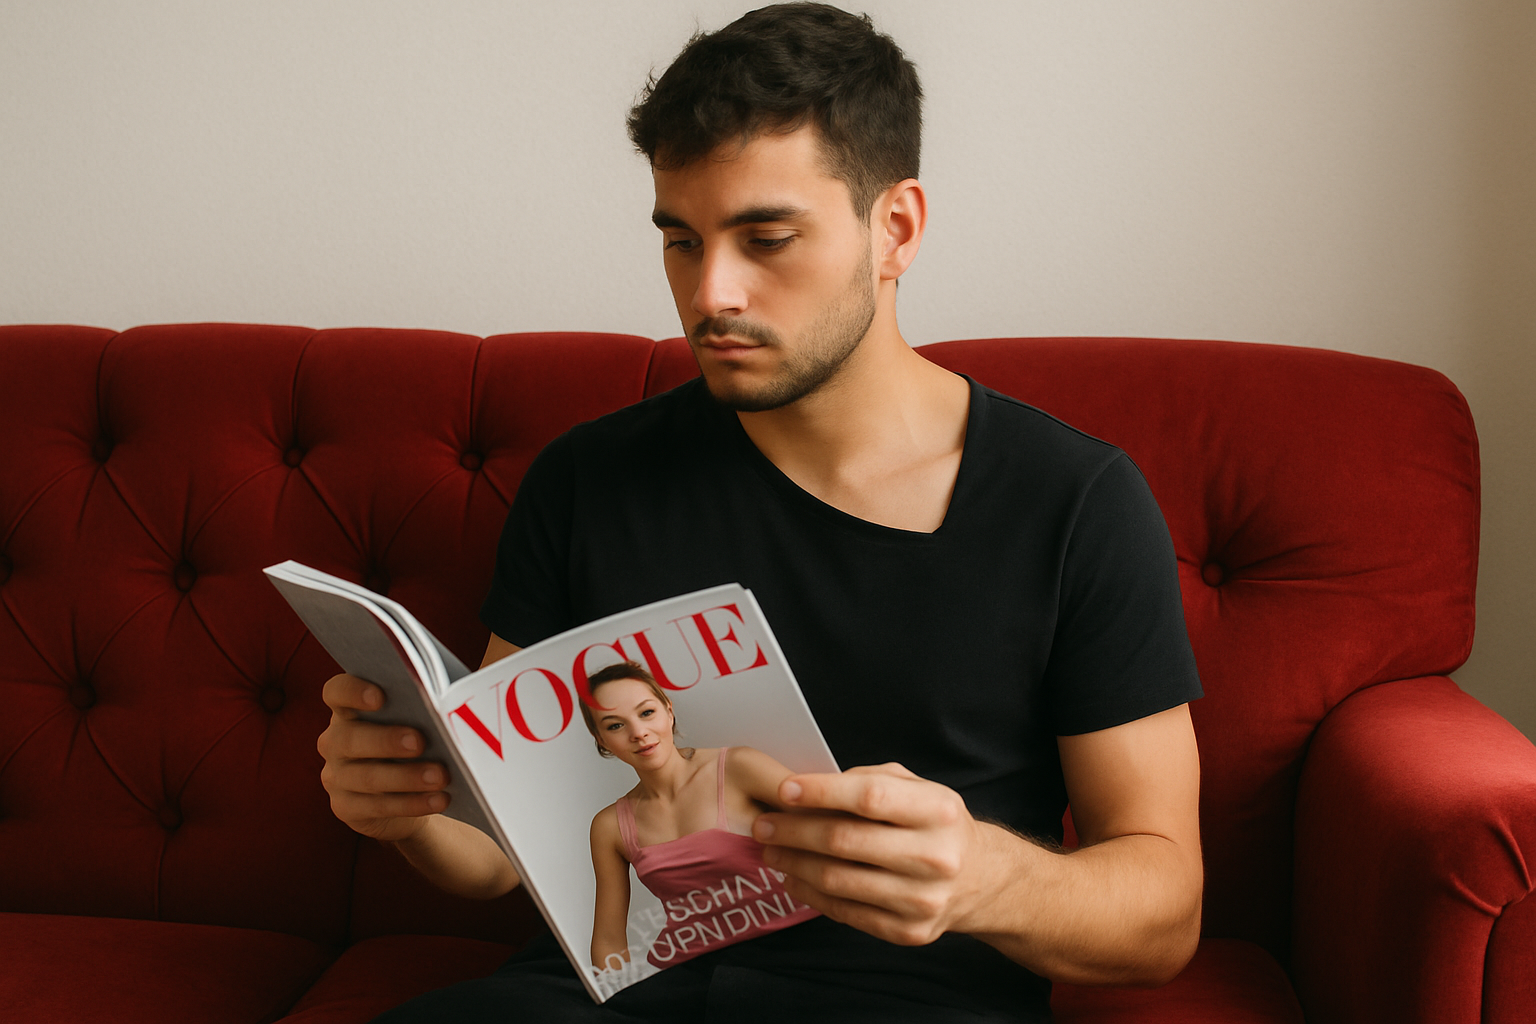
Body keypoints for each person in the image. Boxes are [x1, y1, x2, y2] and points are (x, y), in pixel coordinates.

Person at [317, 4, 1204, 1021]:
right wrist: (406, 810)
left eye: (765, 237)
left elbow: (1165, 912)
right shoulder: (585, 481)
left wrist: (984, 876)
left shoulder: (1072, 502)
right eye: (682, 241)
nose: (712, 293)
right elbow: (497, 856)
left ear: (896, 229)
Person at [580, 662, 817, 973]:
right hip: (696, 971)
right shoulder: (608, 827)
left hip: (802, 947)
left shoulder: (738, 767)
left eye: (646, 712)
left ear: (668, 710)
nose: (639, 733)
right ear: (601, 740)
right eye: (615, 725)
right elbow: (609, 942)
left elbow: (834, 832)